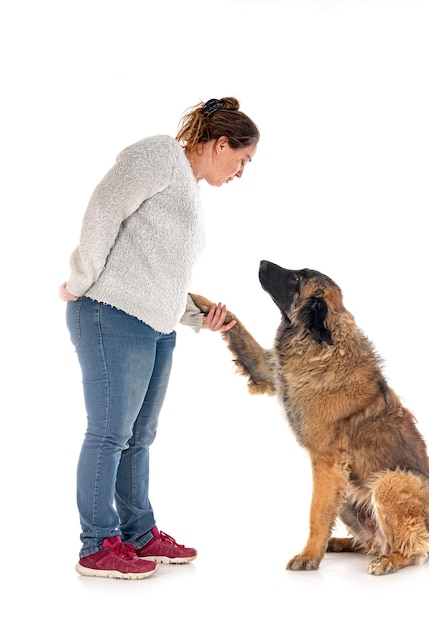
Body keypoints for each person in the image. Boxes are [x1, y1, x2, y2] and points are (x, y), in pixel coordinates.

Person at [59, 97, 260, 579]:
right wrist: (80, 281)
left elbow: (157, 273)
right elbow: (103, 211)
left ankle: (139, 534)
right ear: (220, 144)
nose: (240, 172)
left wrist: (196, 316)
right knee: (109, 434)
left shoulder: (187, 187)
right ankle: (96, 545)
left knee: (139, 438)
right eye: (242, 160)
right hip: (110, 315)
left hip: (155, 326)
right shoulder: (158, 156)